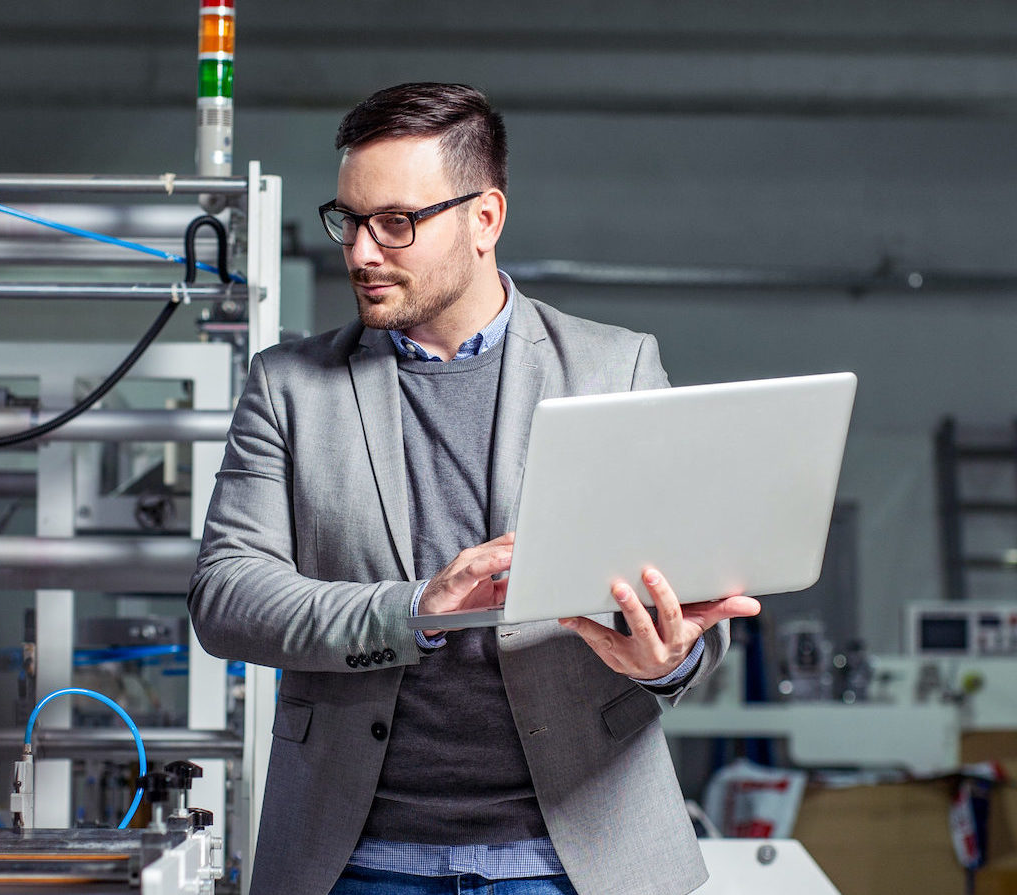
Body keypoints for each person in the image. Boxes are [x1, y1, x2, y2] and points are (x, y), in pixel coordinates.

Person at [188, 83, 761, 895]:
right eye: (348, 220)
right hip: (354, 859)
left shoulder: (615, 368)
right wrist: (414, 608)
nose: (360, 251)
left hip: (577, 858)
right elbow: (226, 595)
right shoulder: (289, 386)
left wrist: (667, 658)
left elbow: (683, 597)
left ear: (485, 218)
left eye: (396, 223)